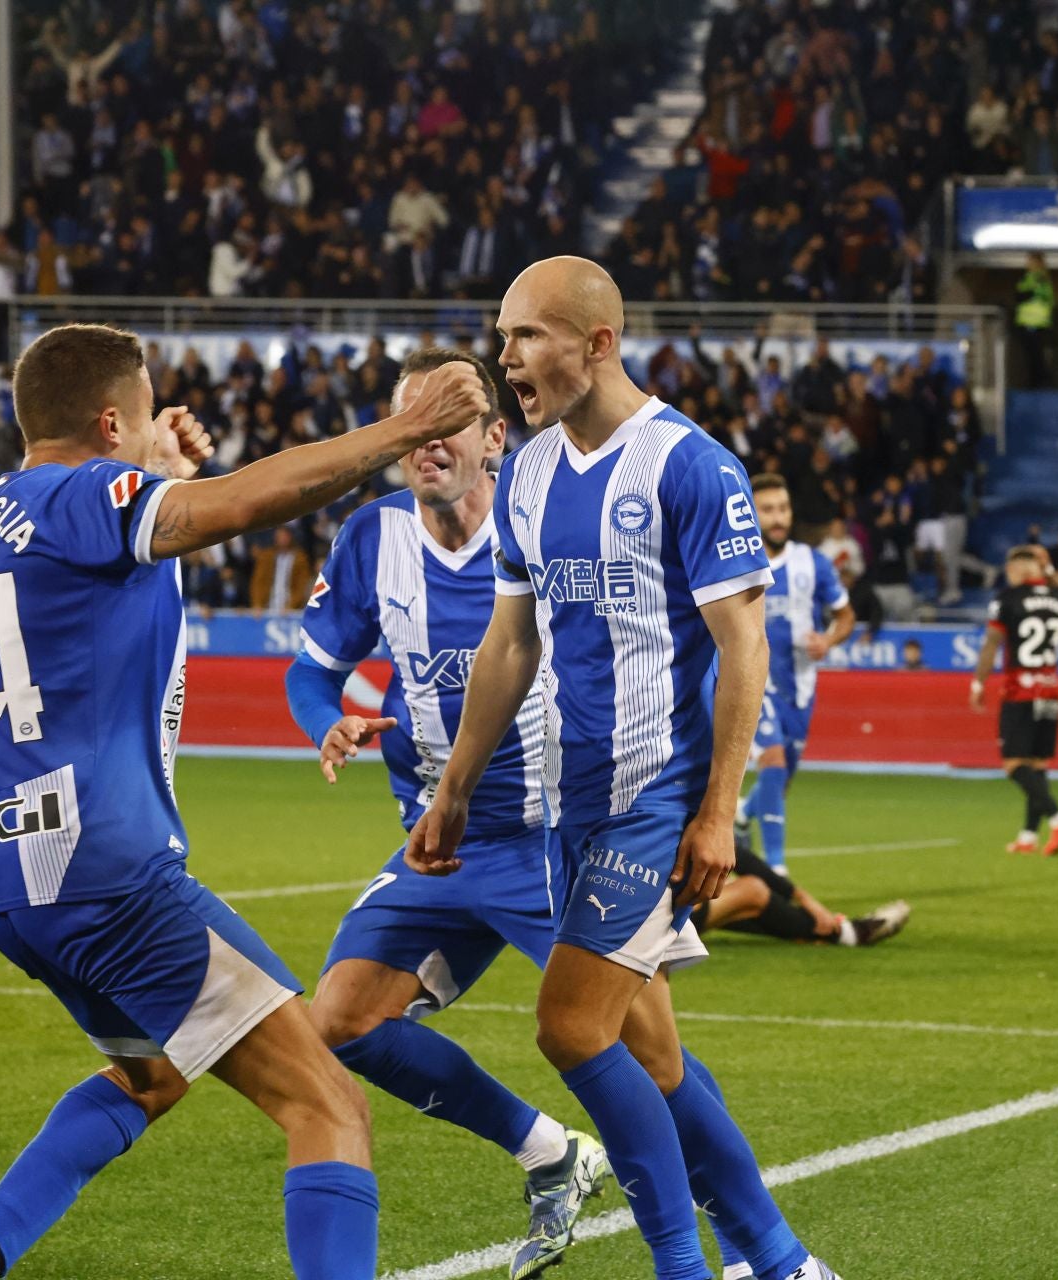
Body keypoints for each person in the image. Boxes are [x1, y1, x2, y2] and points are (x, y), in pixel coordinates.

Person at [0, 323, 487, 1280]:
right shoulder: (89, 493)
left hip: (5, 875)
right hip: (107, 869)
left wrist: (155, 467)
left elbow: (93, 608)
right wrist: (401, 428)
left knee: (152, 1073)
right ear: (107, 420)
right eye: (140, 416)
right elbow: (248, 502)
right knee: (327, 1106)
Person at [405, 257, 839, 1280]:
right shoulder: (529, 470)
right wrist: (456, 787)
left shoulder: (691, 465)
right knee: (652, 1055)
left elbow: (745, 648)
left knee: (568, 1025)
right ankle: (781, 1261)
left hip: (654, 792)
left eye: (528, 335)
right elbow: (511, 642)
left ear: (598, 342)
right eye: (502, 334)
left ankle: (688, 1266)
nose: (505, 355)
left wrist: (718, 809)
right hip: (570, 798)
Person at [282, 347, 609, 1280]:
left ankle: (758, 1251)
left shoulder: (540, 528)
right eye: (411, 424)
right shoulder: (370, 538)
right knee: (336, 1023)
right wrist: (330, 720)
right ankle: (552, 1153)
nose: (427, 441)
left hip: (553, 841)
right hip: (437, 848)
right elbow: (313, 670)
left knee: (630, 1041)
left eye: (446, 420)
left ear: (494, 437)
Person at [737, 472, 853, 875]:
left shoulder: (812, 562)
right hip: (754, 680)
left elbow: (845, 614)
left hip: (800, 687)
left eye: (782, 508)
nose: (778, 518)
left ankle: (740, 814)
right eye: (767, 510)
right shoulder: (735, 559)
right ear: (751, 513)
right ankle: (776, 870)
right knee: (772, 762)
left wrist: (830, 640)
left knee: (779, 783)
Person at [971, 546, 1058, 855]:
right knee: (1038, 766)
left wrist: (978, 682)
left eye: (1011, 569)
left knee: (1015, 765)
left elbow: (992, 643)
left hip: (1021, 690)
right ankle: (1029, 837)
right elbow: (1055, 584)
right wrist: (1045, 567)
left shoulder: (1008, 598)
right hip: (1051, 691)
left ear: (1020, 571)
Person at [694, 832, 911, 947]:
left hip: (664, 904)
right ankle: (843, 933)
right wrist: (803, 898)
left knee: (719, 889)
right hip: (664, 917)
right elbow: (731, 852)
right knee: (752, 891)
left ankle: (817, 932)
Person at [1013, 252, 1054, 386]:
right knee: (1028, 356)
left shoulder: (1043, 279)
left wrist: (1030, 293)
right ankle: (1032, 382)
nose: (1028, 264)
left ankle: (1040, 383)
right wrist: (1029, 293)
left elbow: (1046, 298)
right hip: (1025, 323)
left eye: (1030, 261)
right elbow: (1019, 296)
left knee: (1038, 356)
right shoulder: (1025, 278)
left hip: (1039, 324)